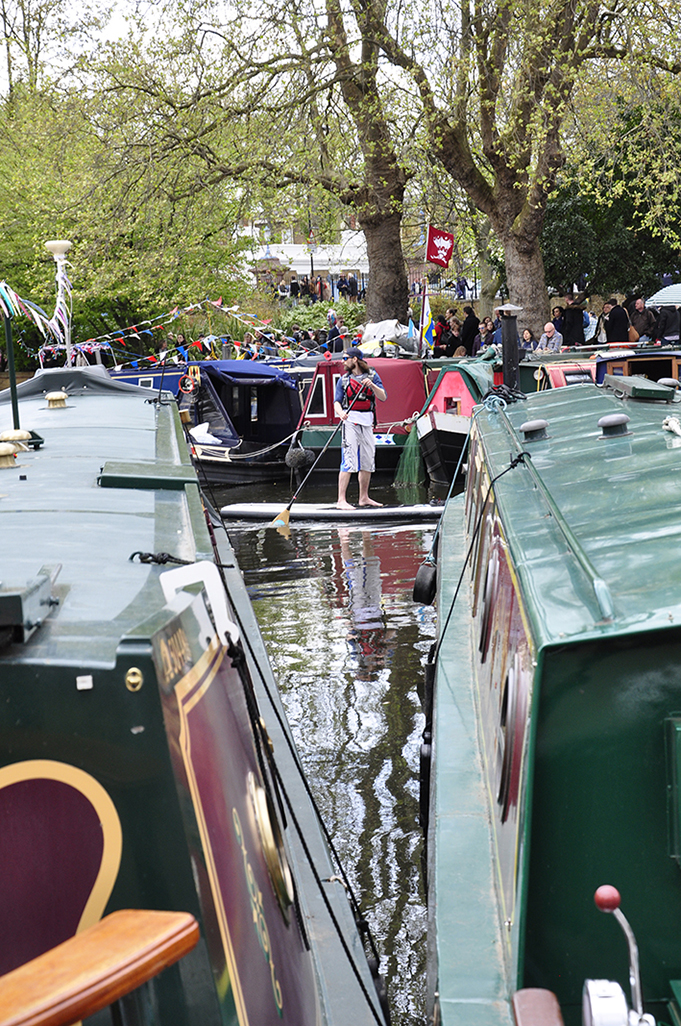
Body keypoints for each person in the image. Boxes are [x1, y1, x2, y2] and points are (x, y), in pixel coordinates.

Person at [334, 348, 387, 509]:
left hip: (367, 422)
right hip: (350, 421)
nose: (343, 361)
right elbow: (337, 401)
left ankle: (363, 497)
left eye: (345, 358)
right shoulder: (343, 380)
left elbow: (383, 397)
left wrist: (372, 386)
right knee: (349, 460)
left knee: (367, 460)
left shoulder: (373, 376)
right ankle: (341, 500)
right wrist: (341, 413)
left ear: (355, 359)